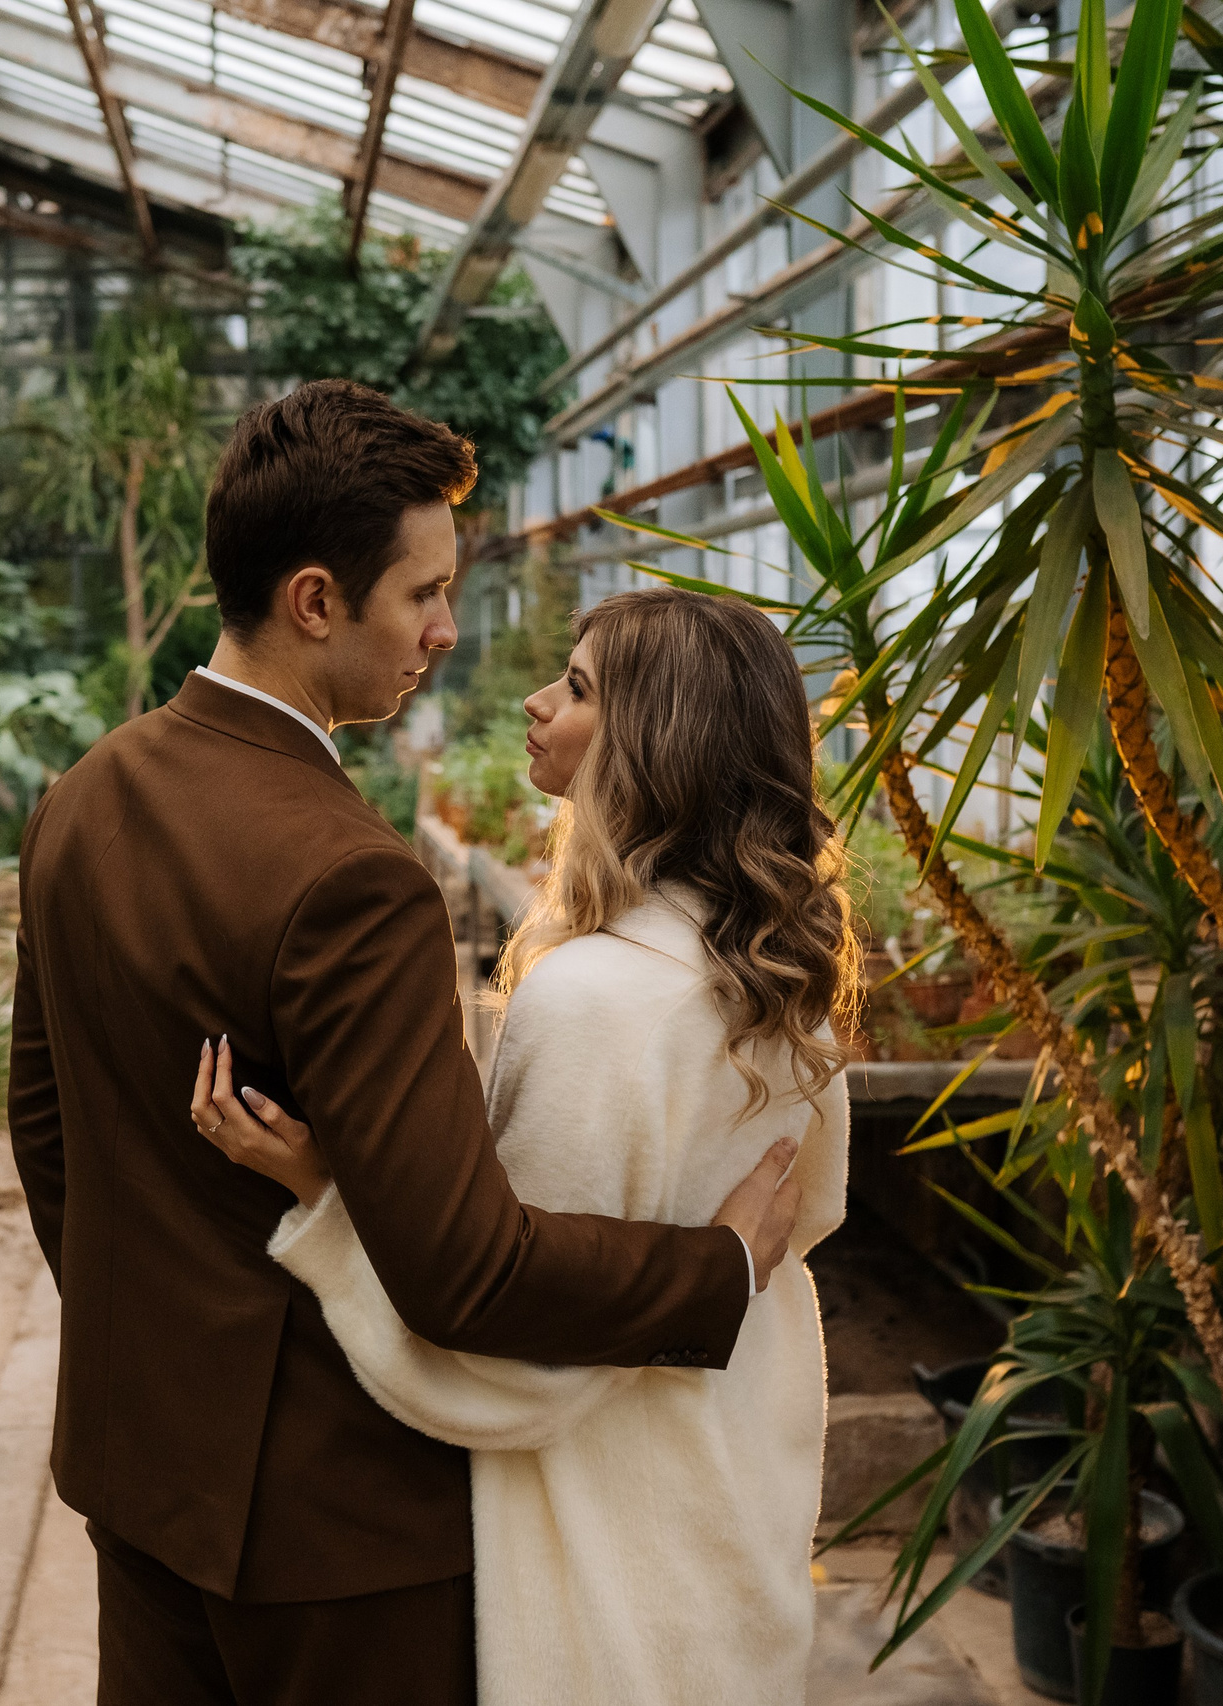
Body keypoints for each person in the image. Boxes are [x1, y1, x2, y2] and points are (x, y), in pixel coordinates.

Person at [6, 381, 812, 1706]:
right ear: (315, 600)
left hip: (136, 1472)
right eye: (424, 594)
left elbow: (49, 1137)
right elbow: (466, 1271)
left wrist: (158, 1352)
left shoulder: (80, 799)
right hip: (340, 1528)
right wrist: (716, 1270)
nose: (445, 629)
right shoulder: (349, 877)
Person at [186, 584, 858, 1706]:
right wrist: (718, 1271)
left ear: (658, 743)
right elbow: (806, 1223)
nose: (538, 703)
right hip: (739, 1496)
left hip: (613, 1557)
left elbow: (506, 1362)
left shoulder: (594, 999)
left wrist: (323, 1196)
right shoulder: (783, 983)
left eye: (578, 688)